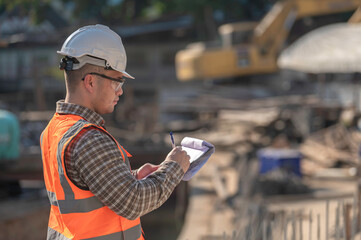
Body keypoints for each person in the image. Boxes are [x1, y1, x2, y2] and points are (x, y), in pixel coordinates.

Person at [40, 24, 190, 240]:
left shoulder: (54, 129)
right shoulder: (88, 138)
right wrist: (174, 167)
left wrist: (130, 178)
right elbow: (133, 202)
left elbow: (82, 189)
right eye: (117, 80)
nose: (120, 90)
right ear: (90, 81)